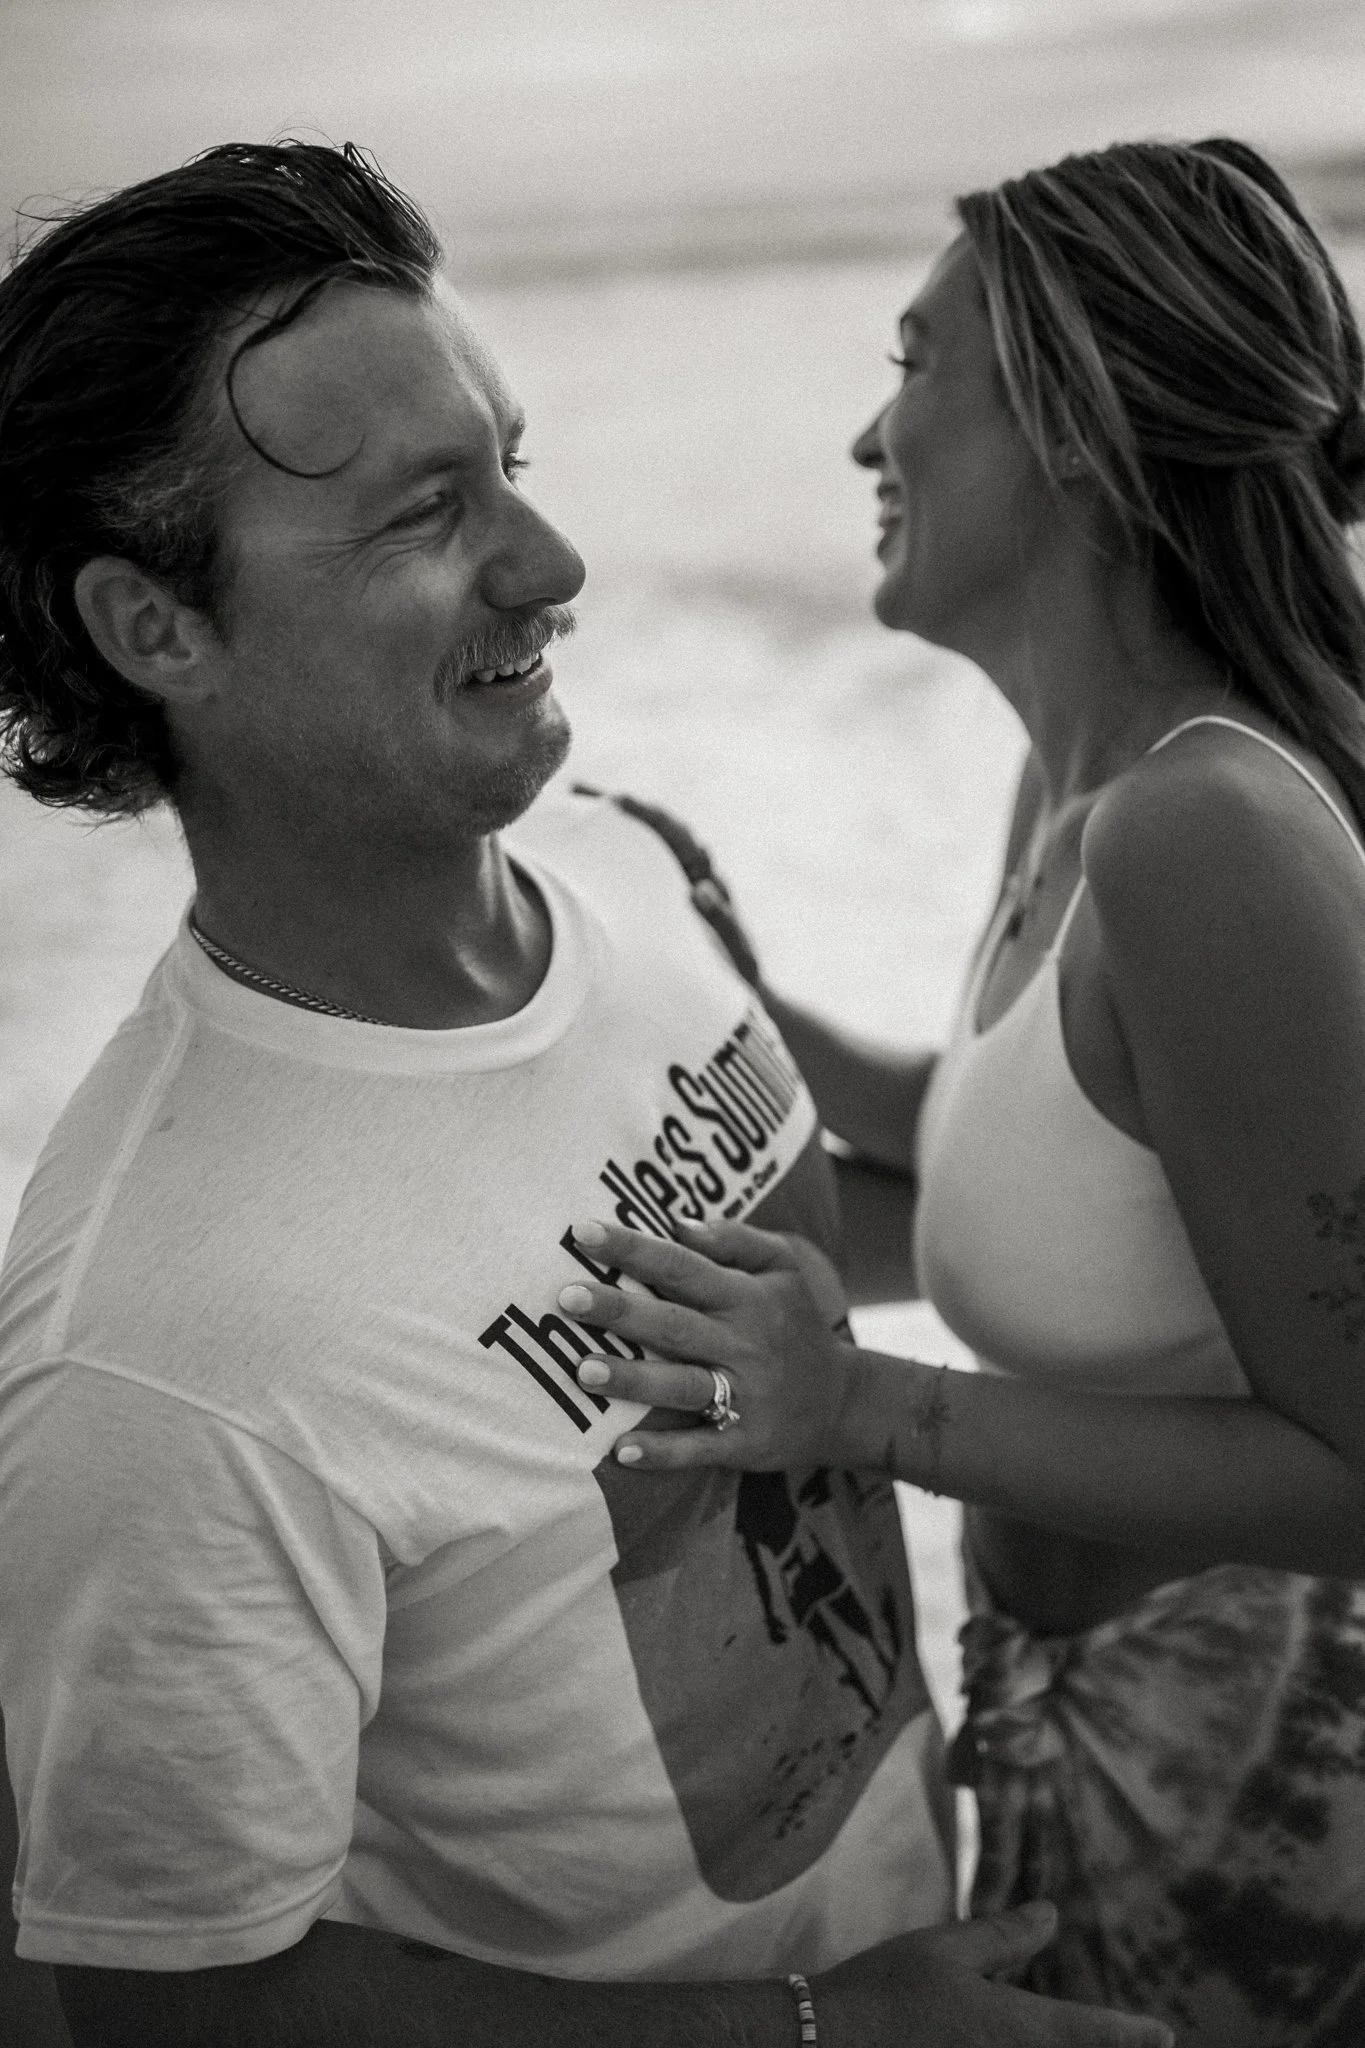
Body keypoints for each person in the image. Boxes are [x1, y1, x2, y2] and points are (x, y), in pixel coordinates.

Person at [0, 142, 1171, 2048]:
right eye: (424, 515)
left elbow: (772, 1253)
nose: (553, 569)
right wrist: (826, 2032)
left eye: (513, 468)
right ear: (158, 629)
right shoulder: (153, 1349)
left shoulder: (624, 867)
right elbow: (181, 2006)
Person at [544, 140, 1365, 2048]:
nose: (868, 435)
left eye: (915, 364)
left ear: (1075, 425)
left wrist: (862, 1406)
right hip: (1089, 1717)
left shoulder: (1199, 834)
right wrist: (731, 995)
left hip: (1271, 1769)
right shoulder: (1087, 788)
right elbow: (1056, 1162)